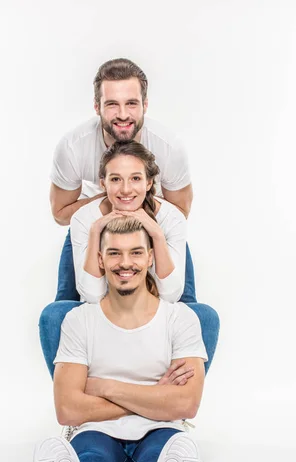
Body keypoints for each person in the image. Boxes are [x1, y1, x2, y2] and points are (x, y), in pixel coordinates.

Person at [34, 217, 207, 462]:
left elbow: (186, 404)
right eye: (114, 253)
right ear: (100, 260)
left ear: (150, 259)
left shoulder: (181, 320)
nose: (124, 263)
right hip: (98, 432)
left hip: (161, 431)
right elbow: (67, 409)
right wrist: (155, 396)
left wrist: (103, 387)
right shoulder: (79, 321)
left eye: (135, 253)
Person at [40, 142, 219, 376]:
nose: (125, 190)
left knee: (204, 315)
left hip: (153, 306)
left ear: (149, 182)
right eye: (115, 179)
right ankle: (81, 397)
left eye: (135, 178)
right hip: (106, 308)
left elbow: (171, 295)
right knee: (54, 315)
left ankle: (169, 397)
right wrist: (95, 231)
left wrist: (155, 232)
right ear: (103, 183)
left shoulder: (172, 219)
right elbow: (92, 295)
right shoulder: (84, 219)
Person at [50, 57, 196, 303]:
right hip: (95, 223)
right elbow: (60, 214)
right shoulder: (73, 147)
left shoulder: (169, 148)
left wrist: (141, 211)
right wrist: (112, 202)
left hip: (153, 223)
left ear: (145, 105)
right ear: (97, 106)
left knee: (186, 308)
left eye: (131, 103)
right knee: (64, 309)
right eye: (112, 104)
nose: (122, 114)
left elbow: (179, 213)